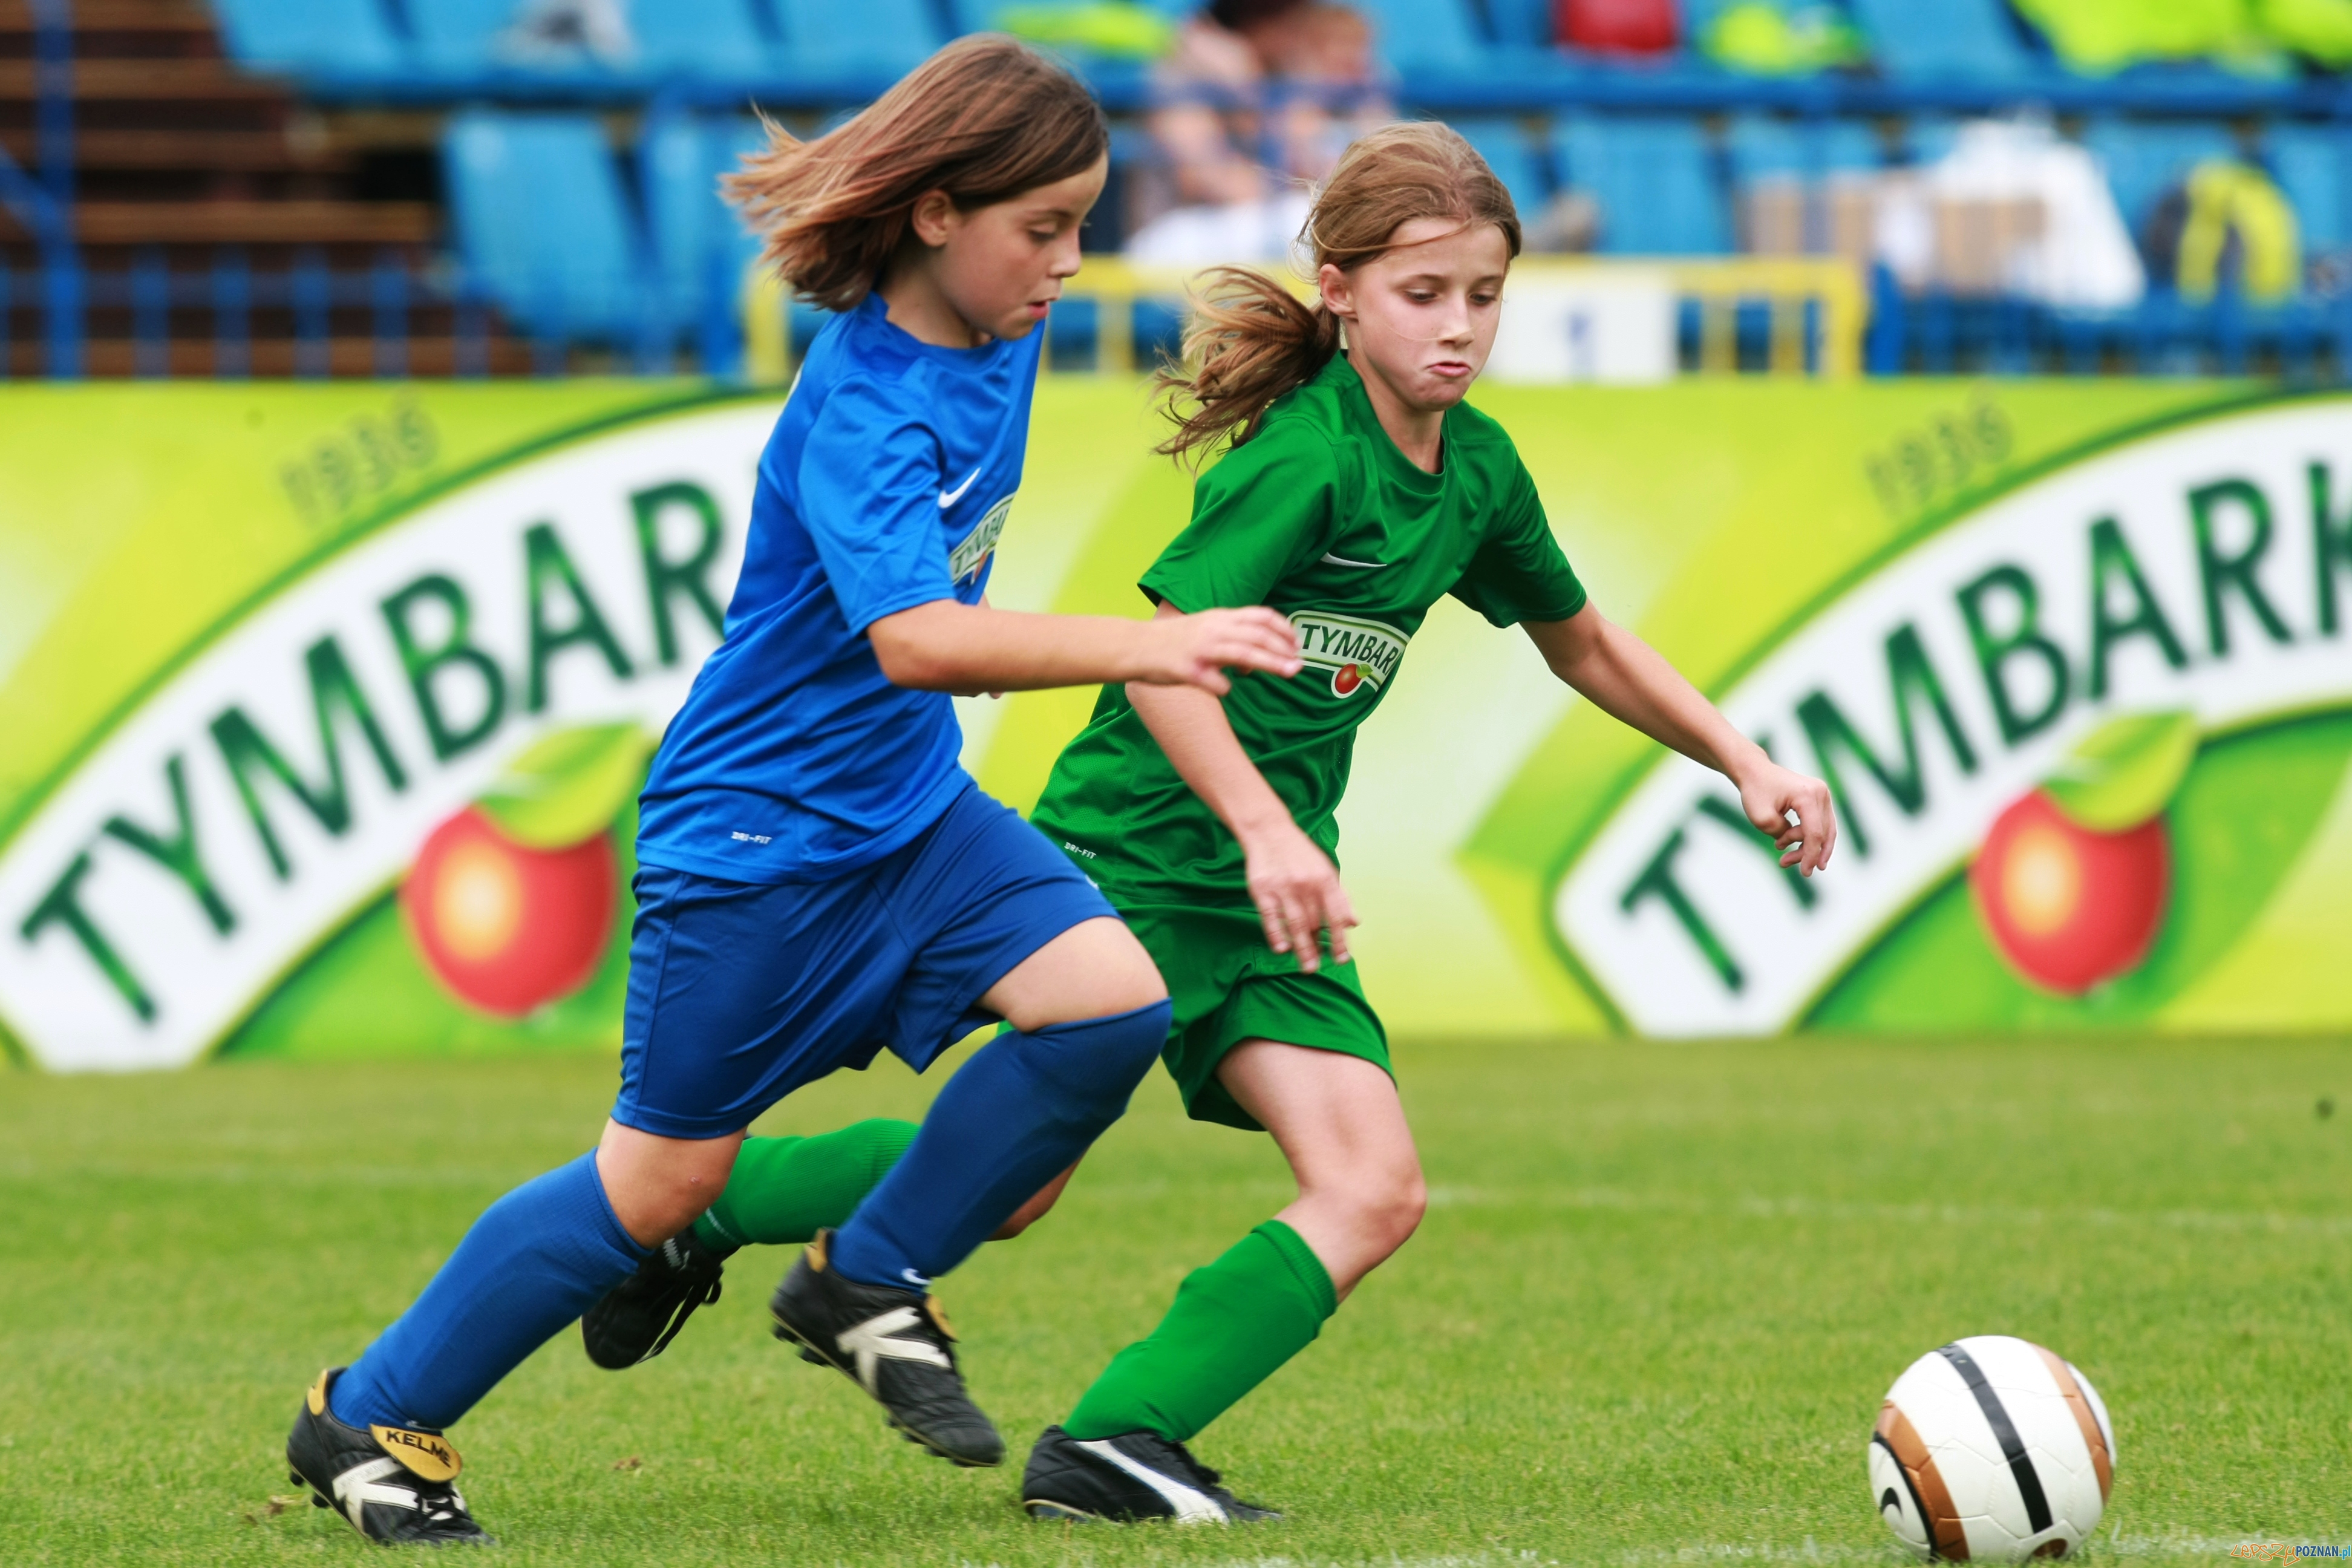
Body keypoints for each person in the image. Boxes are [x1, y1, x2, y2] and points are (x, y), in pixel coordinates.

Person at [576, 120, 1837, 1526]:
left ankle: (1114, 1442)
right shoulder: (1306, 460)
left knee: (1375, 1188)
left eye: (1484, 295)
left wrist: (1744, 758)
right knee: (1010, 1196)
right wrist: (1259, 823)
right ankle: (696, 1201)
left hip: (1267, 890)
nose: (1461, 328)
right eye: (1426, 296)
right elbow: (1169, 653)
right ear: (1342, 291)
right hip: (1136, 859)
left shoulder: (1475, 471)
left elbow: (1583, 640)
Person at [281, 36, 1306, 1546]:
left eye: (1086, 224)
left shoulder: (998, 319)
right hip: (760, 843)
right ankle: (366, 1416)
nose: (1070, 265)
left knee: (1110, 1009)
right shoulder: (871, 402)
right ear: (940, 213)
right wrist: (1156, 644)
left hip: (913, 816)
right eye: (1044, 229)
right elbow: (915, 640)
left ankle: (862, 1280)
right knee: (648, 1181)